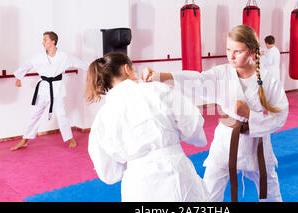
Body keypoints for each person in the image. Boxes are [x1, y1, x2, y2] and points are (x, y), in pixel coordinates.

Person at [143, 25, 289, 202]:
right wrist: (160, 75)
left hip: (256, 143)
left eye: (238, 51)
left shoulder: (268, 79)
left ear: (251, 51)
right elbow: (195, 80)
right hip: (226, 139)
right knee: (209, 190)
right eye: (228, 49)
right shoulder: (221, 73)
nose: (231, 56)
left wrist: (250, 114)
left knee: (270, 189)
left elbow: (280, 115)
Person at [86, 52, 210, 202]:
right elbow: (192, 125)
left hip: (137, 184)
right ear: (127, 69)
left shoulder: (101, 119)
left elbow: (109, 174)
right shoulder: (157, 90)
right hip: (175, 173)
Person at [10, 31, 88, 150]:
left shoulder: (64, 56)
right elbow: (27, 64)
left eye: (45, 40)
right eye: (43, 40)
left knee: (61, 114)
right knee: (35, 114)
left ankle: (70, 138)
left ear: (53, 41)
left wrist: (96, 68)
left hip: (57, 89)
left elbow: (80, 63)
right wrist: (19, 77)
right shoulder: (39, 57)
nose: (43, 42)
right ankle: (25, 139)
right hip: (44, 89)